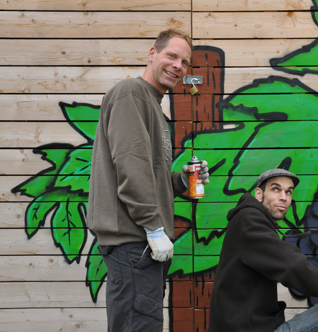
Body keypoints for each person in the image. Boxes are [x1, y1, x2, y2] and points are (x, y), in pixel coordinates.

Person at [87, 28, 209, 332]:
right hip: (135, 242)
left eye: (185, 62)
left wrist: (182, 180)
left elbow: (149, 174)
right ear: (152, 54)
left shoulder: (152, 104)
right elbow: (131, 166)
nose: (178, 66)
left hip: (141, 246)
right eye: (171, 55)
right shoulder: (131, 94)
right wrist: (153, 226)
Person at [208, 168, 318, 332]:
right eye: (276, 189)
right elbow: (291, 264)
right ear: (259, 194)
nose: (284, 197)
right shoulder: (249, 219)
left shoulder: (250, 220)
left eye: (289, 192)